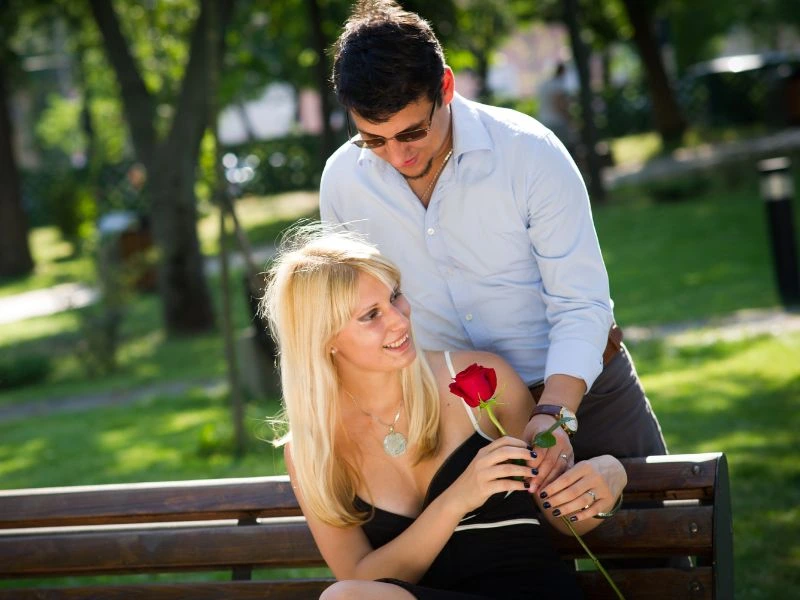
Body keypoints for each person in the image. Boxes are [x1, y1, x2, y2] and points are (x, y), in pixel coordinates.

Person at [319, 0, 667, 488]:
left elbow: (581, 303)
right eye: (374, 139)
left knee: (657, 532)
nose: (397, 155)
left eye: (412, 132)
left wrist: (554, 413)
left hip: (585, 394)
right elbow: (351, 315)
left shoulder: (529, 152)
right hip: (455, 418)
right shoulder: (342, 183)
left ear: (445, 86)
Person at [261, 226, 627, 600]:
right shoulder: (312, 450)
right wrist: (458, 498)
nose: (400, 320)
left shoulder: (479, 379)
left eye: (395, 296)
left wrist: (610, 475)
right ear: (325, 339)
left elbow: (561, 516)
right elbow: (361, 579)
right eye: (371, 315)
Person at [537, 62, 578, 156]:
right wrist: (570, 119)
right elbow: (560, 105)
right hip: (557, 122)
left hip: (544, 120)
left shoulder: (544, 84)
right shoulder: (558, 85)